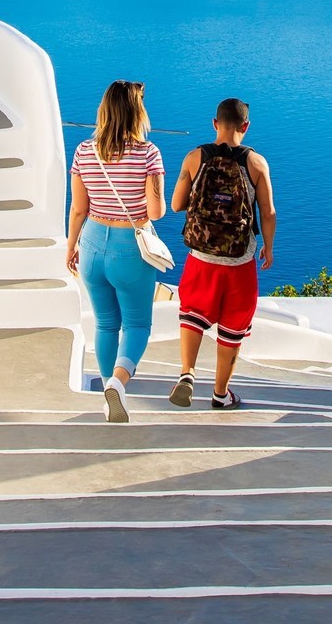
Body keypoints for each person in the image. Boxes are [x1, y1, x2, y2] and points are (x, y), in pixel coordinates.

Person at [66, 80, 166, 423]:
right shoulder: (148, 154)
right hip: (129, 247)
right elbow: (156, 213)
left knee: (106, 324)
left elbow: (78, 208)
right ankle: (118, 384)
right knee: (137, 324)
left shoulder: (83, 150)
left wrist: (70, 247)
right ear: (137, 112)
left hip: (91, 242)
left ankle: (107, 395)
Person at [168, 97, 275, 409]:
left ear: (215, 123)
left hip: (200, 257)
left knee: (193, 314)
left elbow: (176, 205)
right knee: (233, 327)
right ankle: (220, 394)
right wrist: (268, 246)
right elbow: (267, 212)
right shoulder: (256, 163)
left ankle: (187, 373)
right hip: (239, 261)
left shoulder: (194, 157)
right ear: (246, 126)